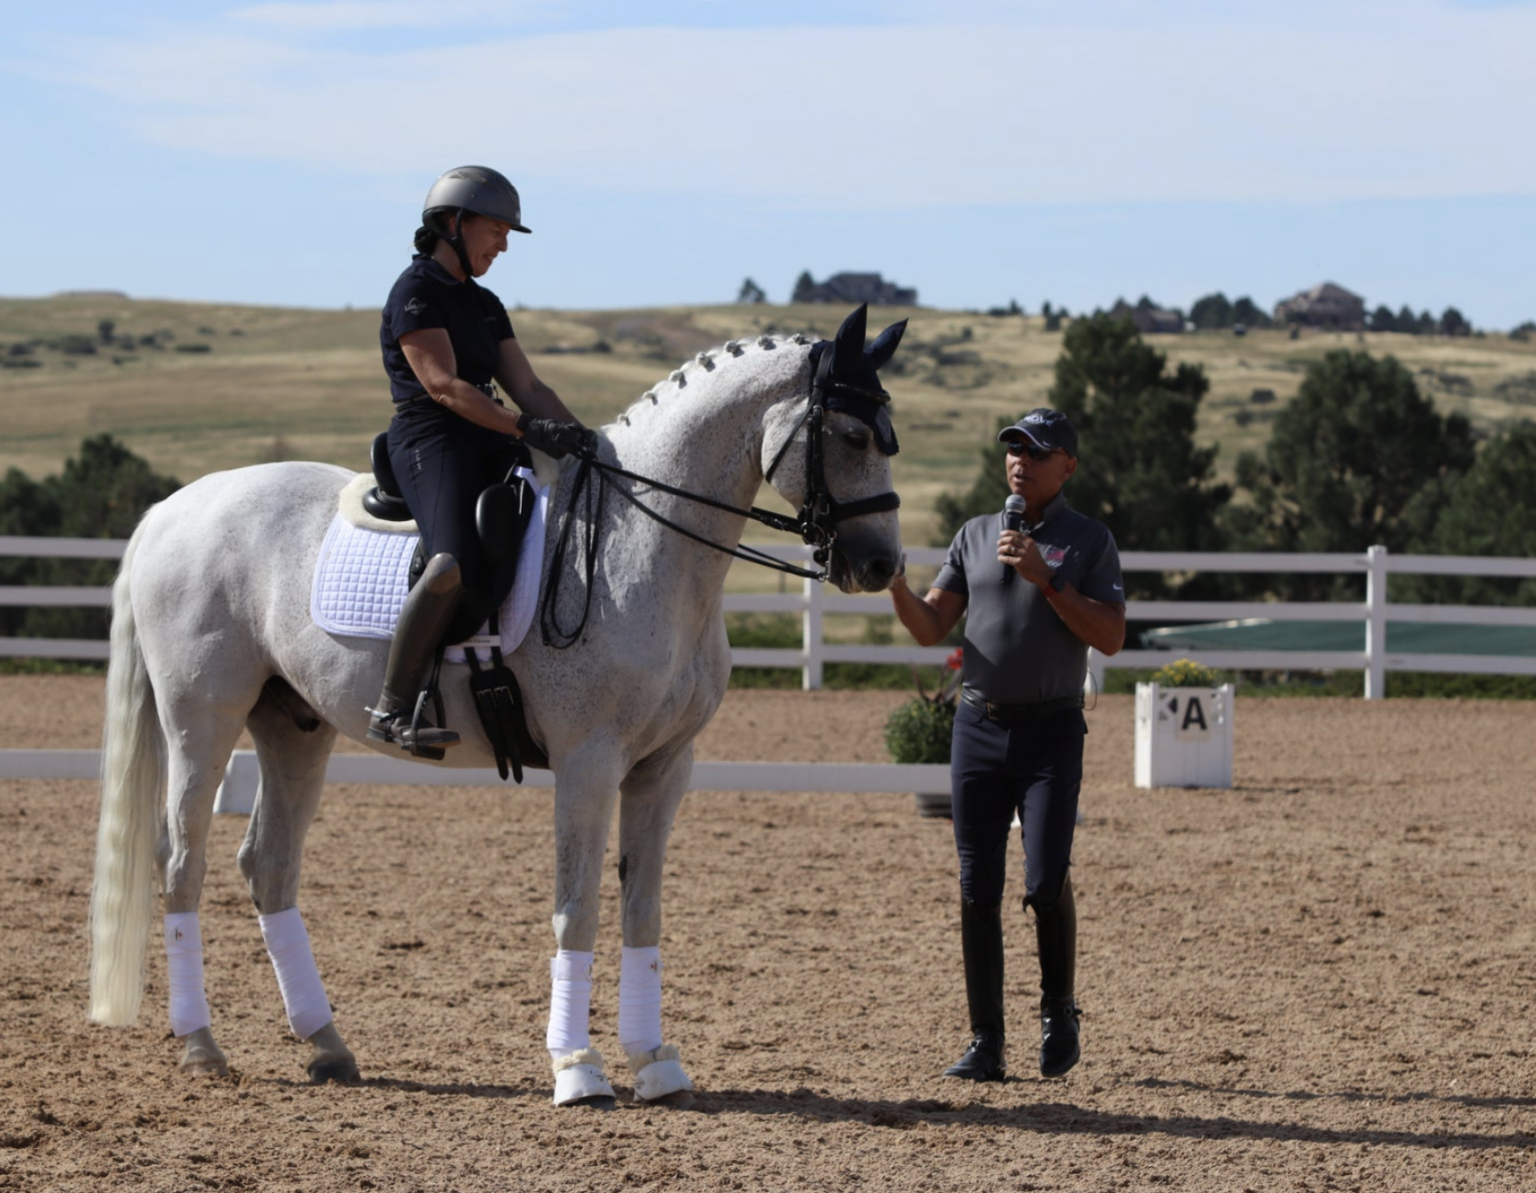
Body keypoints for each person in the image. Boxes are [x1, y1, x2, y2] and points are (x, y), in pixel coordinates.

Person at [889, 407, 1125, 1081]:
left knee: (1045, 878)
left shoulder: (1088, 540)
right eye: (1013, 449)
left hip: (1051, 732)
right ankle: (986, 1040)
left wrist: (1047, 581)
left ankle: (1059, 1010)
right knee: (975, 887)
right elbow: (933, 625)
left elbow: (1109, 636)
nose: (1020, 461)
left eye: (1037, 451)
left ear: (1068, 465)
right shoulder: (974, 534)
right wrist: (898, 587)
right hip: (978, 729)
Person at [369, 165, 592, 752]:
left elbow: (531, 389)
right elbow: (443, 386)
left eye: (506, 235)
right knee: (448, 565)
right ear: (452, 223)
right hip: (431, 439)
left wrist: (588, 443)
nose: (502, 245)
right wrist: (527, 427)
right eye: (495, 230)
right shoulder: (414, 292)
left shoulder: (487, 304)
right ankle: (393, 709)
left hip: (492, 433)